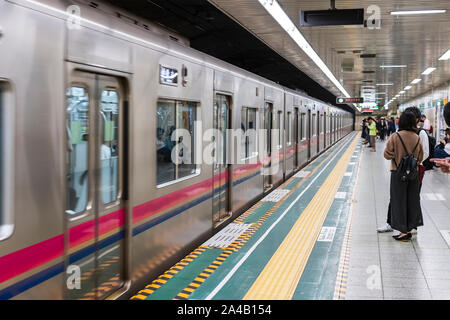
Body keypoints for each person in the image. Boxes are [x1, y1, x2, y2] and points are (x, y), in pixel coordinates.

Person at [383, 111, 424, 241]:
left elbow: (386, 154)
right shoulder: (417, 137)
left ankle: (403, 232)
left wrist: (397, 157)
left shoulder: (396, 136)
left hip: (397, 173)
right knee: (412, 200)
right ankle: (411, 228)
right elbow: (421, 157)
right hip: (413, 173)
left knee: (398, 201)